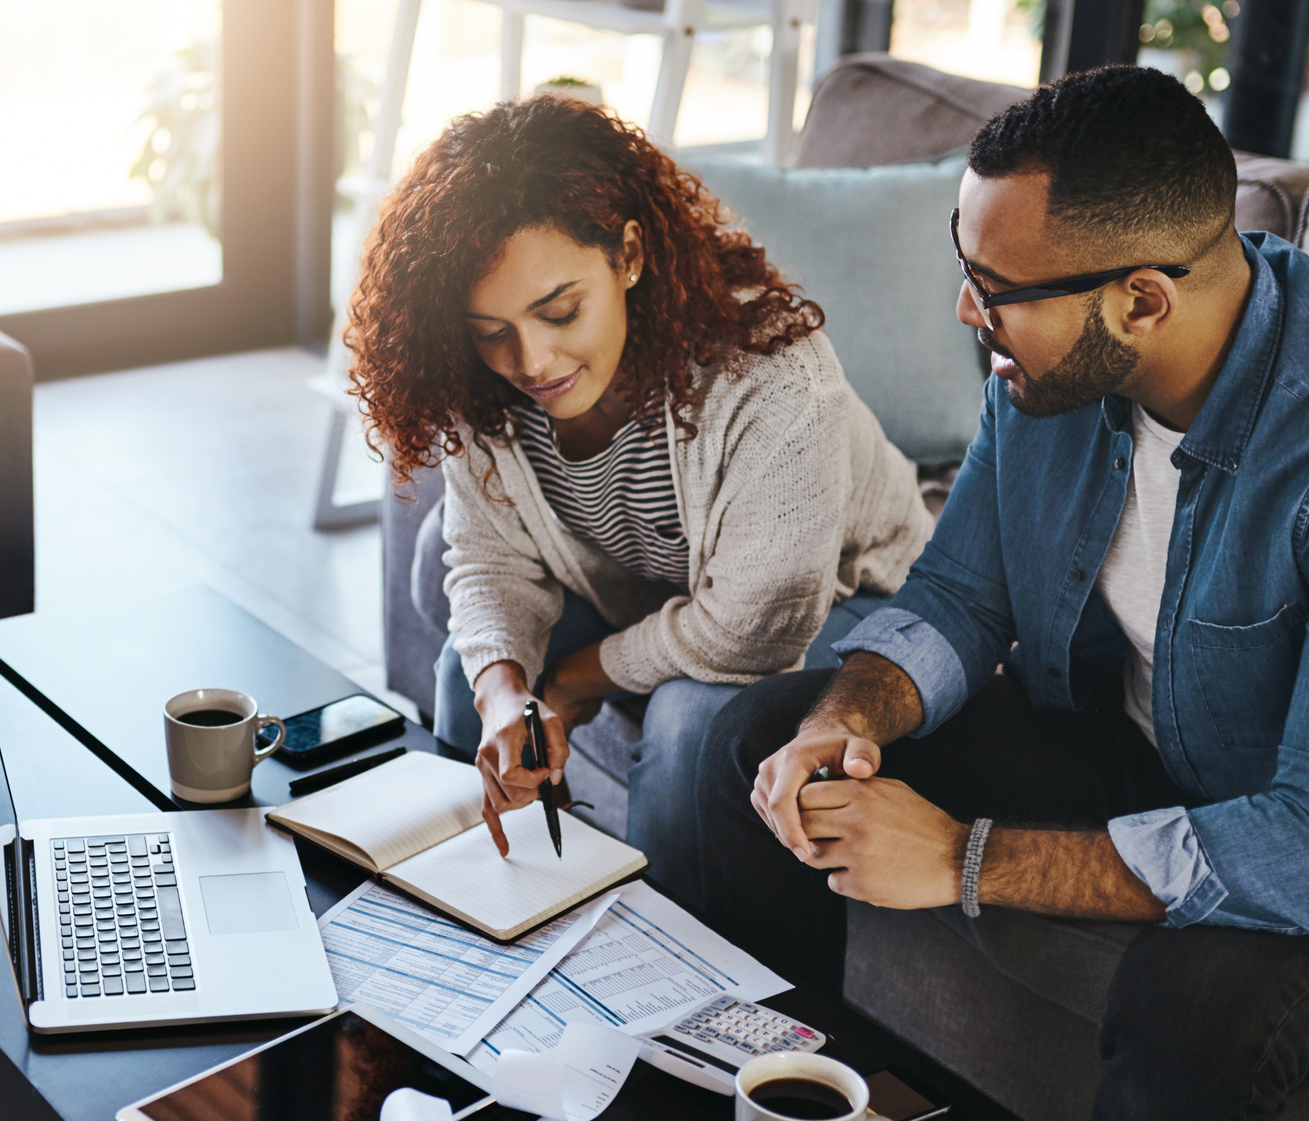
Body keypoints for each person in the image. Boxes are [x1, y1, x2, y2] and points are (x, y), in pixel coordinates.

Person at [696, 65, 1309, 1118]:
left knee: (1185, 1015)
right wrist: (850, 713)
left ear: (1143, 298)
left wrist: (963, 858)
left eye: (995, 288)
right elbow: (965, 595)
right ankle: (803, 1087)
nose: (968, 307)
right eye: (968, 263)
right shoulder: (1049, 367)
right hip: (1135, 746)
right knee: (759, 745)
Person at [344, 95, 932, 904]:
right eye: (492, 329)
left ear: (627, 255)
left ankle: (688, 991)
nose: (532, 358)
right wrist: (506, 693)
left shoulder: (774, 378)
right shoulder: (485, 379)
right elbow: (485, 556)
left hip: (849, 594)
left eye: (560, 311)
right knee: (466, 672)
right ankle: (475, 914)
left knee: (692, 726)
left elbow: (748, 627)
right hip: (659, 585)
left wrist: (575, 681)